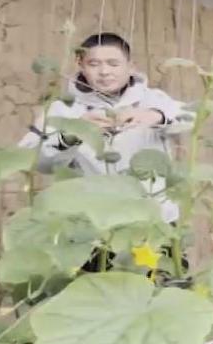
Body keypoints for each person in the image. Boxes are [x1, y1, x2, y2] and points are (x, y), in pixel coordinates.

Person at [18, 32, 188, 273]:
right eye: (94, 64)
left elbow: (193, 117)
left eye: (113, 63)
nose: (104, 71)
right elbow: (31, 157)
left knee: (162, 284)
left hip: (156, 221)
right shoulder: (64, 109)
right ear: (80, 65)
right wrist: (72, 133)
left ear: (131, 66)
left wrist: (155, 116)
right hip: (92, 226)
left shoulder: (153, 99)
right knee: (99, 289)